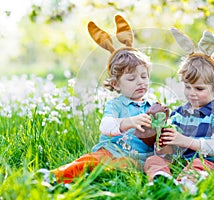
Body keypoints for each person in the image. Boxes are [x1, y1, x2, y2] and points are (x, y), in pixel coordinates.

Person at [38, 15, 155, 185]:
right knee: (90, 161)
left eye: (144, 76)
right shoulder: (115, 105)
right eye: (131, 79)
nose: (140, 82)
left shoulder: (152, 106)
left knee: (111, 167)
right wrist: (129, 122)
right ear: (116, 84)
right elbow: (105, 126)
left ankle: (69, 182)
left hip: (137, 159)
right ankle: (54, 177)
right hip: (110, 150)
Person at [144, 28, 214, 194]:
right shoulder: (179, 113)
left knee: (198, 166)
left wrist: (184, 140)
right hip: (178, 161)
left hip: (205, 160)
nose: (192, 93)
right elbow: (172, 150)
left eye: (199, 88)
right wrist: (162, 142)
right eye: (187, 87)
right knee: (154, 159)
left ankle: (184, 186)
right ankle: (160, 180)